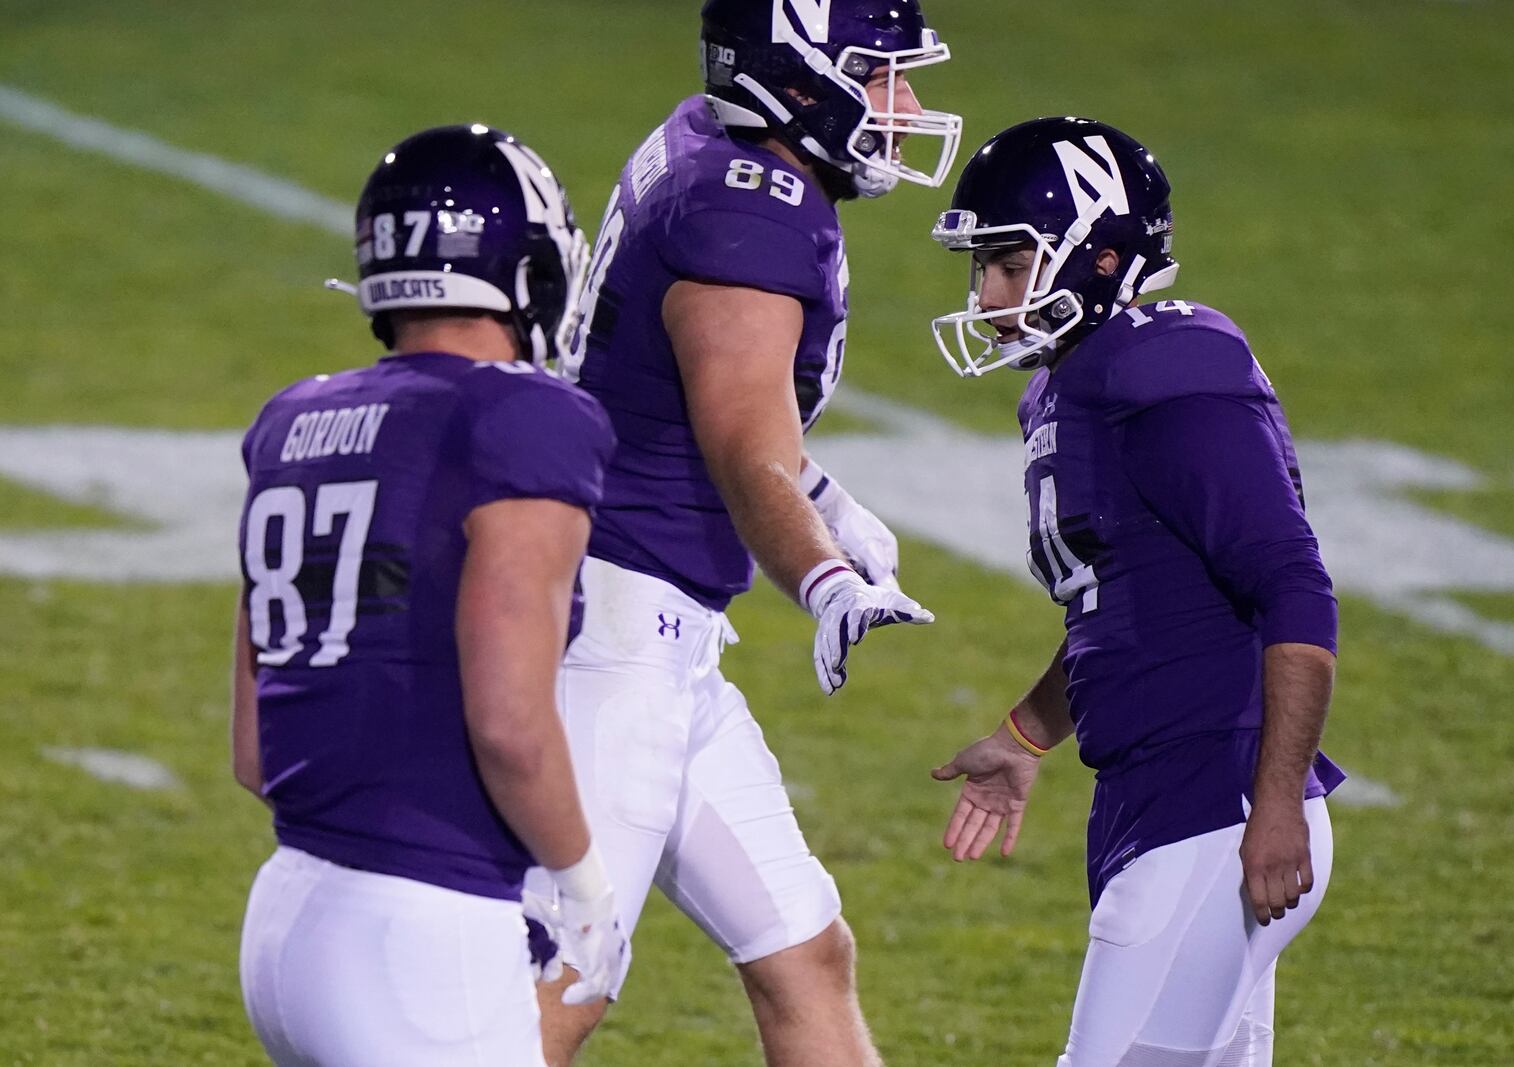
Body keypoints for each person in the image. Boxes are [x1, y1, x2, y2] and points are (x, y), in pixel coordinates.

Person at [523, 3, 962, 1065]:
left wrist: (824, 489)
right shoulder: (752, 212)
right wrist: (822, 573)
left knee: (801, 951)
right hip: (617, 637)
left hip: (648, 628)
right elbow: (736, 436)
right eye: (879, 75)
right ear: (798, 76)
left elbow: (708, 399)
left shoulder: (711, 143)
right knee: (561, 980)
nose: (901, 106)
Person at [928, 117, 1345, 1065]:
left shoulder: (1170, 367)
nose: (988, 295)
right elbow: (1112, 609)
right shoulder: (1073, 387)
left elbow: (1295, 589)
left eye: (1009, 264)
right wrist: (1027, 732)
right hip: (1161, 798)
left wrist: (1273, 800)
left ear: (1100, 256)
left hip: (1215, 805)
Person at [232, 124, 628, 1067]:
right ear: (525, 271)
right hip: (419, 931)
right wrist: (583, 885)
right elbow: (508, 721)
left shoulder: (293, 419)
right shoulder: (523, 416)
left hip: (287, 911)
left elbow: (254, 748)